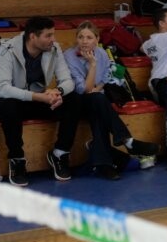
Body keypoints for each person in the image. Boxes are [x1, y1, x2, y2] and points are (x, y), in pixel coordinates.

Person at [0, 16, 82, 186]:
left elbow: (67, 81)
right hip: (8, 102)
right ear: (33, 36)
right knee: (10, 106)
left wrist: (57, 92)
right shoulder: (7, 48)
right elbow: (2, 88)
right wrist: (37, 97)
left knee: (74, 99)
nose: (53, 39)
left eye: (53, 34)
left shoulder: (54, 48)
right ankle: (17, 159)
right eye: (48, 35)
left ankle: (60, 153)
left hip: (38, 99)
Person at [64, 22, 159, 179]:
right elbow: (84, 89)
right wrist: (92, 65)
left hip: (97, 100)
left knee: (98, 106)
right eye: (80, 37)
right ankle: (128, 142)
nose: (84, 41)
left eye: (89, 37)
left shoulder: (101, 53)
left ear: (97, 39)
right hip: (77, 103)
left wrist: (97, 89)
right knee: (97, 100)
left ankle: (104, 164)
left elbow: (105, 78)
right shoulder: (69, 56)